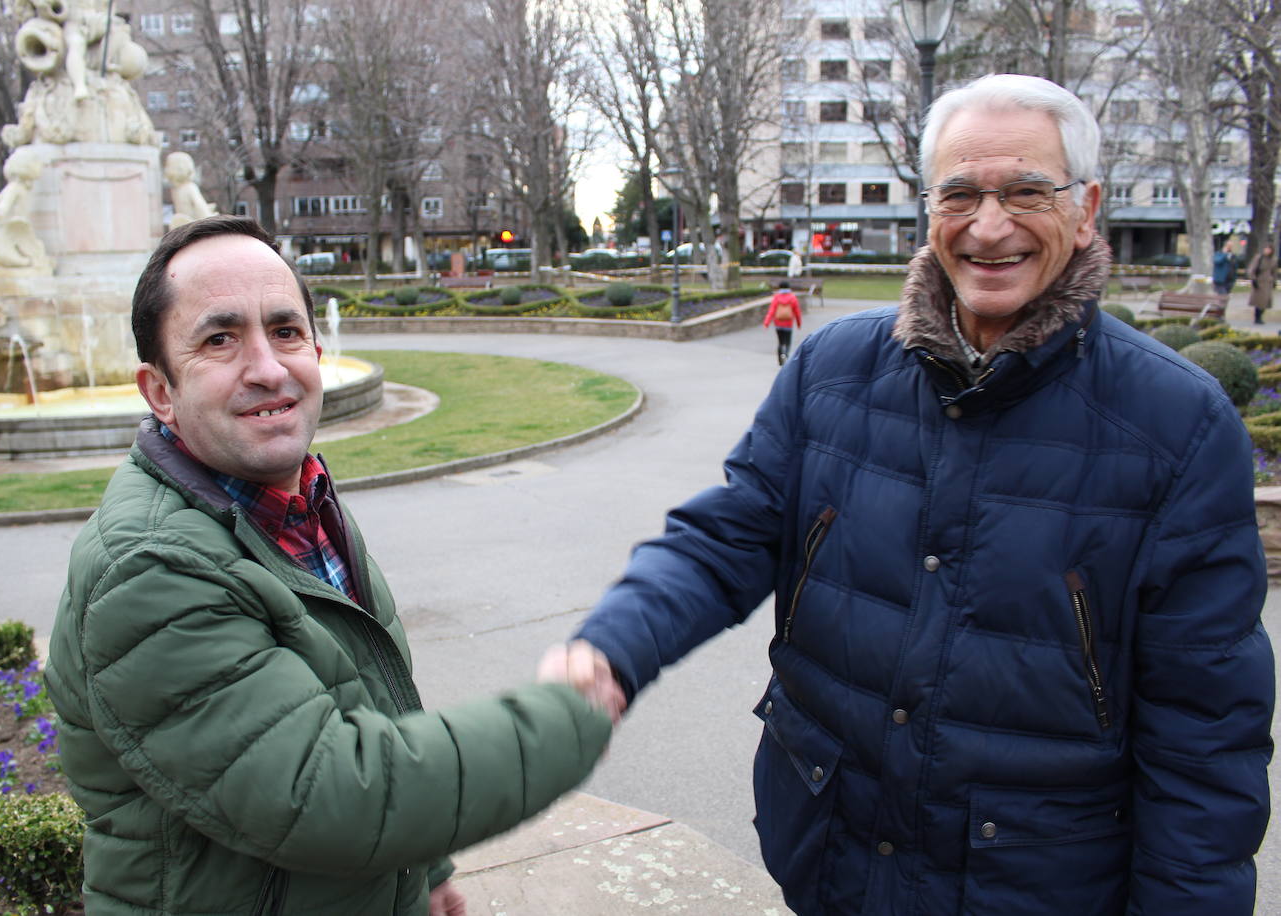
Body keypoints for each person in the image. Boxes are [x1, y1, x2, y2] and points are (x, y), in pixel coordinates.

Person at [544, 74, 1273, 914]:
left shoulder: (1178, 425)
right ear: (930, 208)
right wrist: (612, 648)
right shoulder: (831, 370)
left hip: (1037, 884)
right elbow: (727, 540)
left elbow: (1205, 736)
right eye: (960, 193)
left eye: (1026, 190)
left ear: (1086, 208)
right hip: (833, 857)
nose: (988, 225)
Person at [45, 215, 612, 915]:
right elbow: (328, 792)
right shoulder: (149, 571)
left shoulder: (295, 499)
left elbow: (367, 699)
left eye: (285, 331)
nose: (267, 367)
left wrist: (423, 871)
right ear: (160, 390)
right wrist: (565, 719)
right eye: (220, 339)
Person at [763, 280, 802, 365]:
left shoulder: (776, 297)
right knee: (787, 341)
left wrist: (766, 323)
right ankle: (786, 356)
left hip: (778, 324)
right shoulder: (792, 297)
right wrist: (799, 323)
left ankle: (780, 360)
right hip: (788, 324)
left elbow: (771, 311)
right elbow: (797, 312)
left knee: (780, 342)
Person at [1249, 244, 1275, 325]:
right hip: (1259, 281)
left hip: (1268, 282)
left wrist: (1274, 280)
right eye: (1266, 249)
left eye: (1269, 249)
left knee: (1265, 301)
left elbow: (1273, 271)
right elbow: (1252, 269)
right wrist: (1253, 279)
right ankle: (1257, 317)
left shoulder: (1273, 260)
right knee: (1259, 301)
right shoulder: (1259, 258)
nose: (1267, 251)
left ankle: (1260, 315)